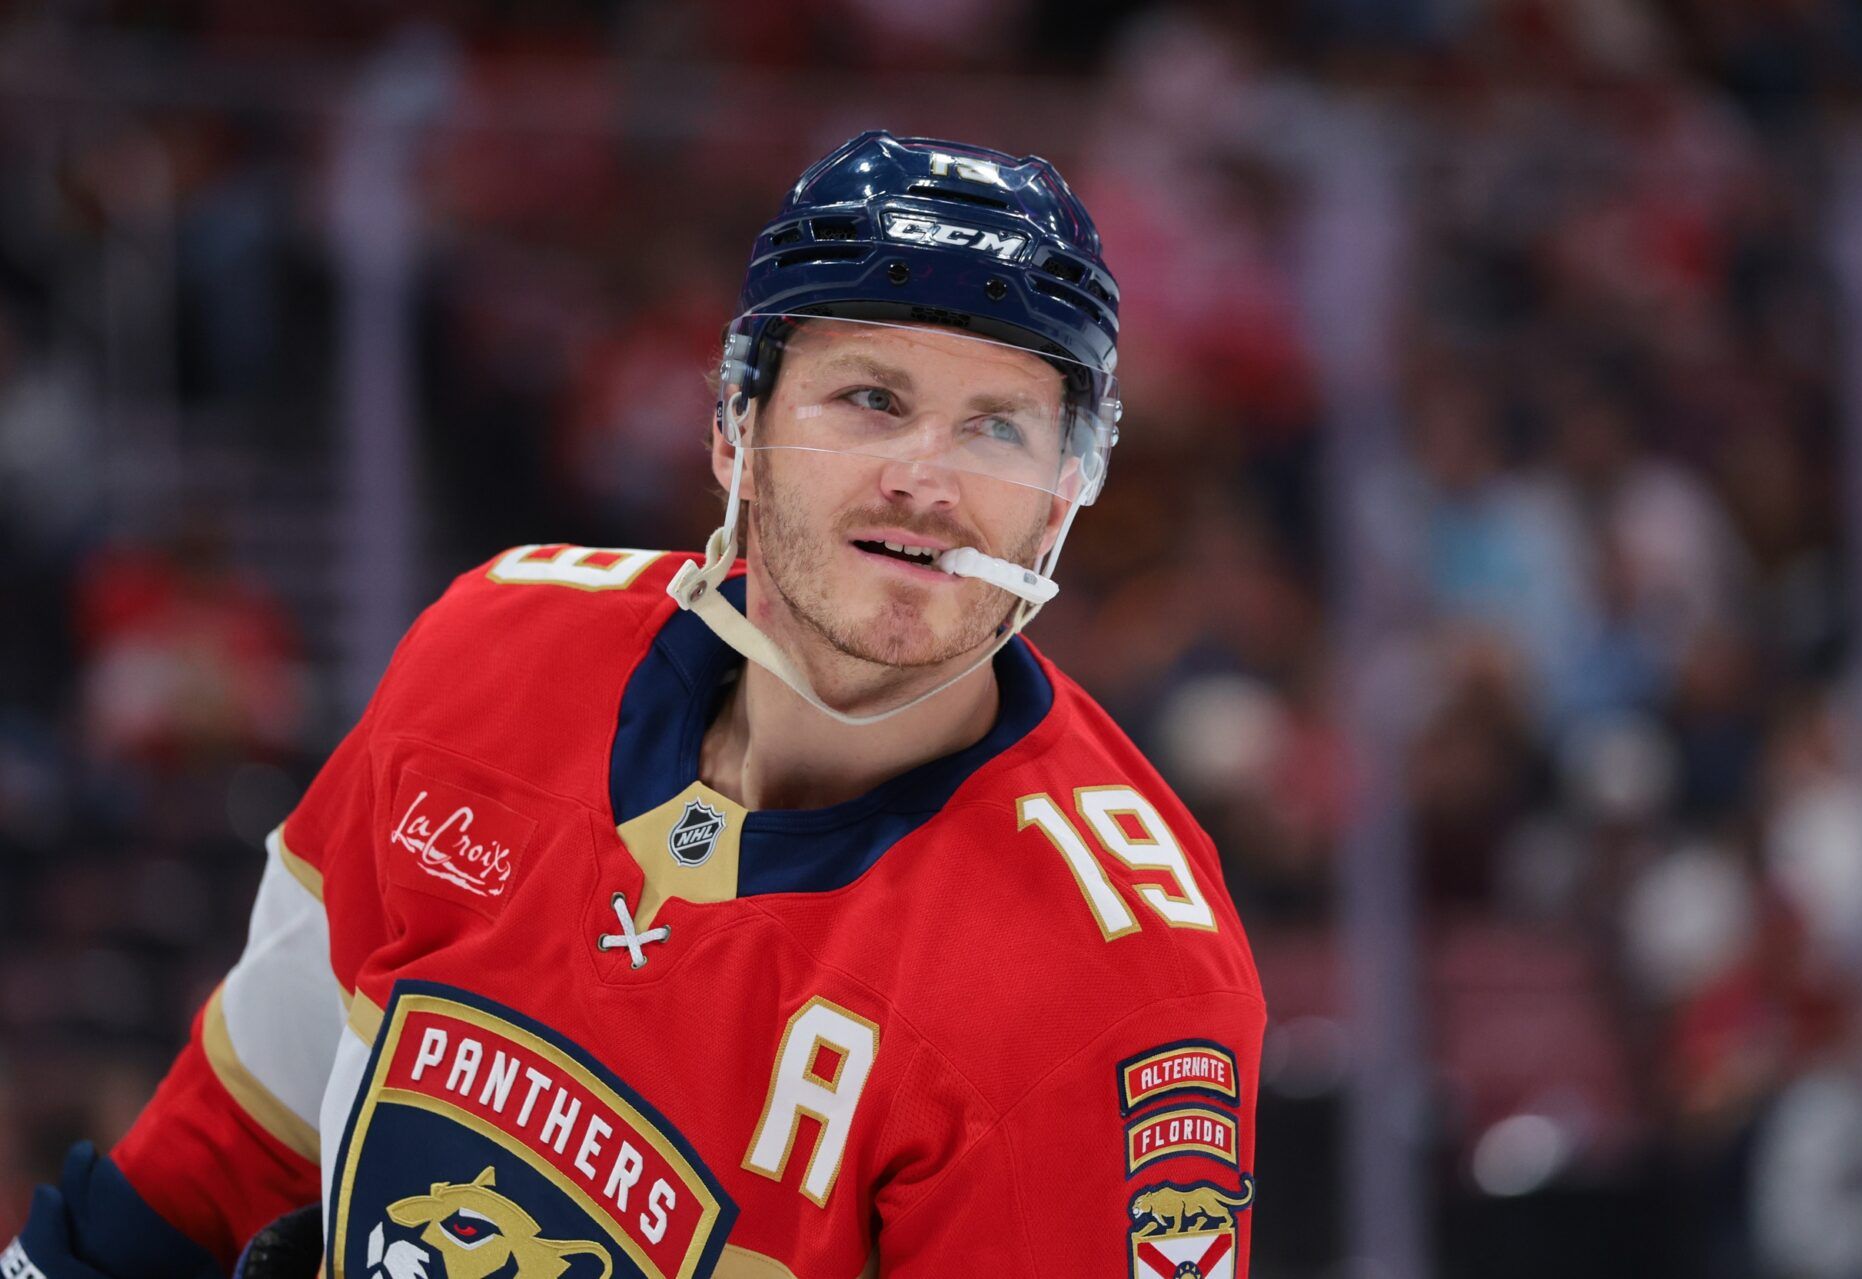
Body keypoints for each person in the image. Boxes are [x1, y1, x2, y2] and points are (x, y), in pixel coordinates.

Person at [7, 131, 1265, 1279]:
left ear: (1062, 495)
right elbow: (223, 1156)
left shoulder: (1123, 988)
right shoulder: (490, 655)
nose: (926, 480)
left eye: (997, 428)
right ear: (735, 427)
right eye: (871, 398)